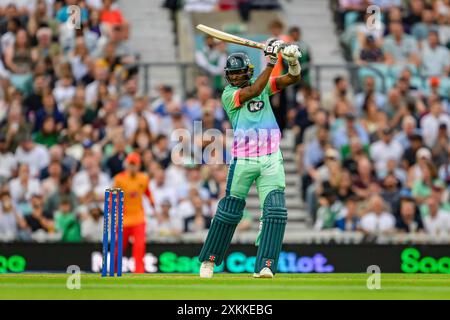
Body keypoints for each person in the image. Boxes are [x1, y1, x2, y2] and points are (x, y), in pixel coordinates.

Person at [198, 38, 302, 279]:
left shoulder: (263, 84)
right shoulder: (229, 95)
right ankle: (208, 261)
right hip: (243, 159)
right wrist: (271, 62)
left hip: (270, 158)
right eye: (232, 75)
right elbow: (254, 91)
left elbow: (292, 79)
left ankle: (265, 265)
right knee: (230, 211)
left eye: (239, 73)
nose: (235, 78)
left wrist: (293, 62)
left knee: (275, 210)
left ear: (248, 71)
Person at [113, 152, 154, 273]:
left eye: (134, 164)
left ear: (138, 165)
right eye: (130, 164)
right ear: (126, 165)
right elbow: (112, 196)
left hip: (138, 218)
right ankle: (114, 270)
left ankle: (139, 272)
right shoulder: (119, 179)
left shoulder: (144, 178)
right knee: (118, 248)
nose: (132, 167)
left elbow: (147, 191)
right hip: (122, 219)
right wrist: (111, 207)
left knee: (139, 247)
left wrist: (152, 202)